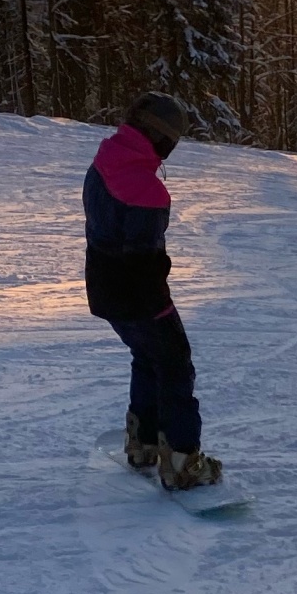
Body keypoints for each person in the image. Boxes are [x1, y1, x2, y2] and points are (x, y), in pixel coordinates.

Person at [83, 92, 223, 490]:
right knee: (175, 365)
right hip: (138, 295)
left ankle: (143, 443)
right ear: (162, 138)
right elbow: (143, 258)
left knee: (147, 357)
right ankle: (181, 462)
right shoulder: (144, 187)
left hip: (105, 290)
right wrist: (158, 294)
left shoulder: (102, 164)